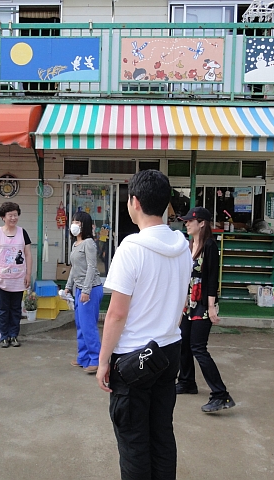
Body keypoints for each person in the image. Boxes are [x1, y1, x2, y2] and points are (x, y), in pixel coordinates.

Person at [96, 170, 192, 480]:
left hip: (133, 358)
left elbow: (116, 314)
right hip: (169, 350)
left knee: (134, 440)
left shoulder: (131, 248)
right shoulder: (183, 245)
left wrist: (102, 361)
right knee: (161, 432)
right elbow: (180, 301)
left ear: (134, 202)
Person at [176, 207, 235, 413]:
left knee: (198, 348)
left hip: (202, 303)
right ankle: (186, 382)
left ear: (202, 223)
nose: (186, 224)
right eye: (185, 221)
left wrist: (211, 307)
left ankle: (221, 394)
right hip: (188, 303)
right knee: (183, 342)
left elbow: (211, 278)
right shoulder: (189, 244)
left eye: (190, 221)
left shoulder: (210, 245)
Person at [0, 202, 32, 348]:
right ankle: (3, 336)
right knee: (3, 309)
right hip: (2, 279)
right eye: (10, 215)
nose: (13, 218)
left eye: (15, 215)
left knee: (16, 309)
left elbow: (28, 254)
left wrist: (28, 274)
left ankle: (14, 335)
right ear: (3, 217)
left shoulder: (23, 233)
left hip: (19, 278)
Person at [65, 212, 104, 374]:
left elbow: (92, 267)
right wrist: (68, 286)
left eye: (78, 222)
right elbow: (74, 268)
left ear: (84, 225)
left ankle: (96, 359)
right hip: (79, 289)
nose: (74, 224)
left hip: (91, 289)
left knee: (88, 326)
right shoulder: (75, 244)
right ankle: (83, 357)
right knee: (81, 325)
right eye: (73, 221)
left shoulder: (89, 243)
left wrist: (86, 290)